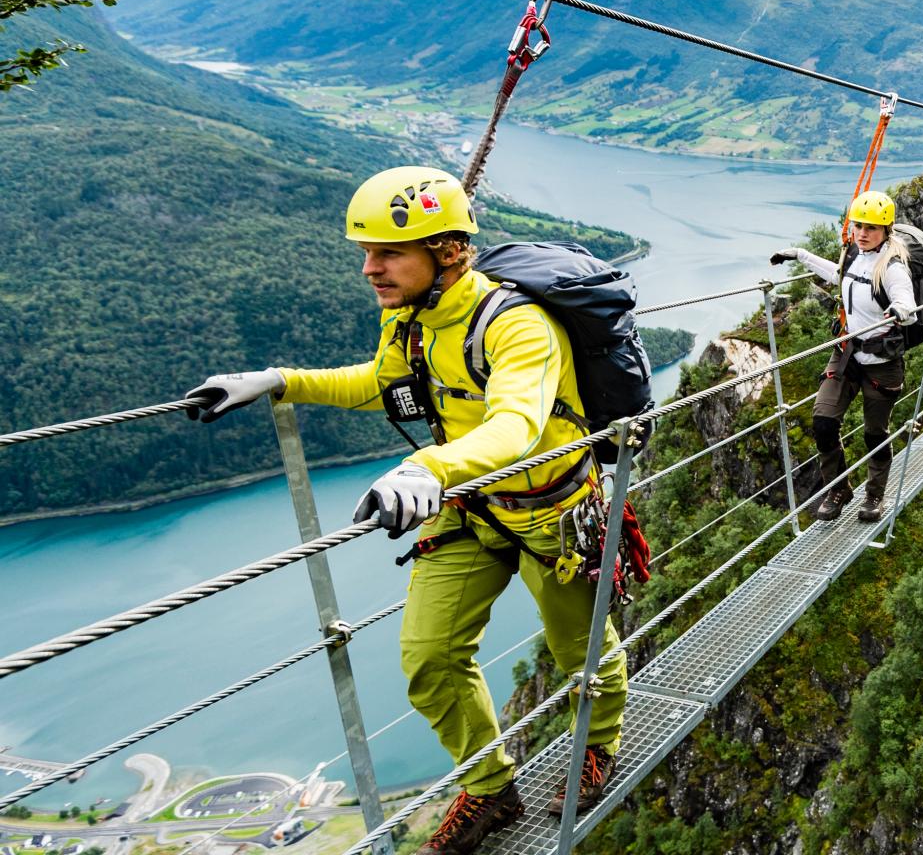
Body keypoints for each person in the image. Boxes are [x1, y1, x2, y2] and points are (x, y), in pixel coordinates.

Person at [184, 167, 624, 855]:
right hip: (468, 507)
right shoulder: (411, 321)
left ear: (448, 251)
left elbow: (518, 427)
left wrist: (425, 466)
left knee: (582, 651)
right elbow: (377, 385)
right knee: (429, 658)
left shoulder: (520, 325)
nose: (369, 268)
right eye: (365, 252)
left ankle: (599, 747)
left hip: (550, 509)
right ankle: (489, 789)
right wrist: (278, 381)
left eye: (388, 253)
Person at [769, 189, 914, 523]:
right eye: (859, 225)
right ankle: (839, 488)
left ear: (885, 230)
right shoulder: (853, 255)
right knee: (823, 421)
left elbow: (906, 303)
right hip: (847, 354)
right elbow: (839, 275)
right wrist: (800, 254)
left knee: (874, 433)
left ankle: (874, 496)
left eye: (871, 228)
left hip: (882, 363)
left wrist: (899, 310)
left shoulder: (891, 267)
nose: (863, 233)